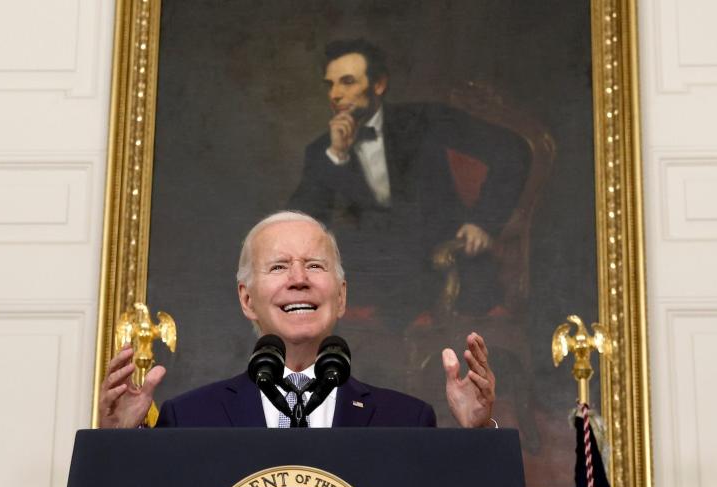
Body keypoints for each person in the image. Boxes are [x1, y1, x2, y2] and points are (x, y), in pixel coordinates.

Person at [97, 211, 496, 429]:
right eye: (279, 266)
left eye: (315, 265)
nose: (299, 280)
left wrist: (478, 436)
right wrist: (115, 445)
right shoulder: (190, 419)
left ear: (340, 296)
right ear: (247, 299)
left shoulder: (405, 421)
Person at [287, 38, 529, 329]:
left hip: (443, 265)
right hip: (371, 276)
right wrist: (336, 157)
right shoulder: (323, 150)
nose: (336, 94)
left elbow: (513, 150)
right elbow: (300, 224)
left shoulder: (425, 120)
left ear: (378, 85)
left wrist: (483, 222)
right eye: (331, 85)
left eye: (347, 82)